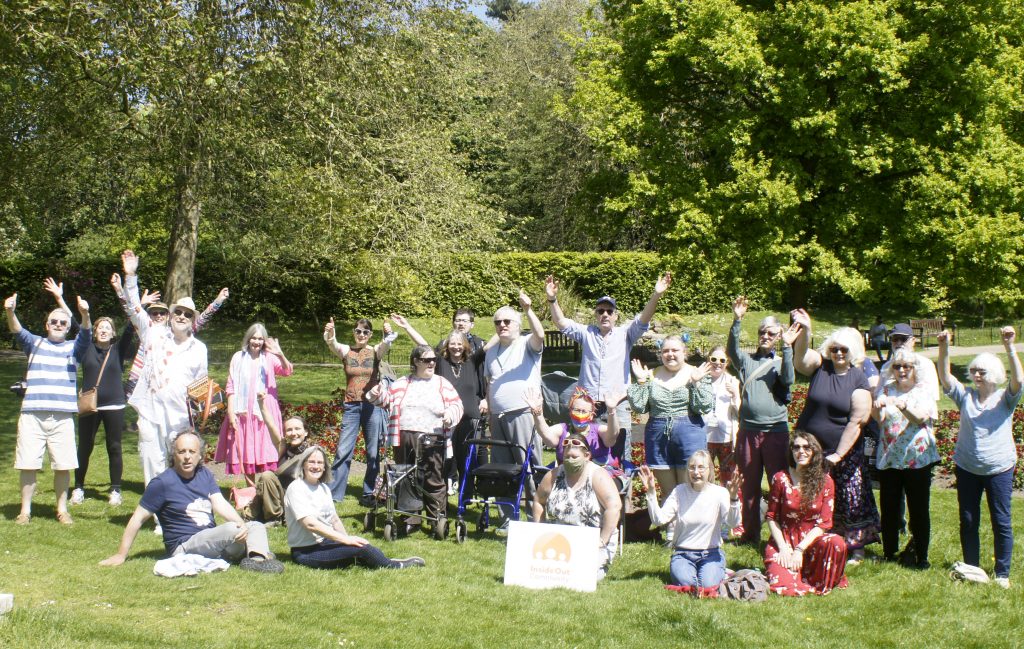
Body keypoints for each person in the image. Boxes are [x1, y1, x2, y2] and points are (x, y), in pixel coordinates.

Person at [99, 431, 284, 573]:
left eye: (191, 451)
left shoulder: (204, 474)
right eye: (182, 452)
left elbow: (219, 503)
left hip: (211, 539)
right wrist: (121, 554)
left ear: (199, 455)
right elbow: (137, 519)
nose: (187, 456)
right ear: (174, 455)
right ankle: (253, 551)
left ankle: (257, 561)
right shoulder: (162, 483)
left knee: (255, 527)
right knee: (230, 529)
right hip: (184, 545)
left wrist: (242, 524)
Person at [545, 273, 673, 446]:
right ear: (596, 315)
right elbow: (560, 322)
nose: (605, 314)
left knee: (620, 448)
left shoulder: (626, 334)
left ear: (615, 316)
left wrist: (656, 295)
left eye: (609, 311)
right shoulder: (586, 333)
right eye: (601, 311)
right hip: (589, 404)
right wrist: (552, 299)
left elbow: (644, 319)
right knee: (587, 449)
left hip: (618, 403)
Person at [937, 327, 1021, 589]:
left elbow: (1018, 379)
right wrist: (944, 347)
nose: (975, 375)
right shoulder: (967, 397)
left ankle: (1002, 573)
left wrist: (1009, 346)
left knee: (1001, 520)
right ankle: (972, 568)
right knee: (969, 519)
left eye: (981, 372)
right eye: (974, 371)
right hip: (968, 467)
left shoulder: (1004, 399)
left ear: (993, 375)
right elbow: (945, 377)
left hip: (999, 468)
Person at [791, 309, 878, 562]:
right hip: (811, 450)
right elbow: (800, 360)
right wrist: (806, 330)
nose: (838, 353)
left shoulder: (858, 378)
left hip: (844, 452)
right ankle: (814, 540)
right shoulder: (821, 367)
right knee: (813, 496)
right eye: (835, 349)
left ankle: (856, 547)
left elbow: (857, 420)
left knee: (850, 496)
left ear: (852, 352)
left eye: (844, 350)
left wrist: (839, 454)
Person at [6, 281, 92, 525]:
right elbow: (17, 330)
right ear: (46, 325)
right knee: (28, 464)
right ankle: (25, 511)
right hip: (32, 414)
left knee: (63, 465)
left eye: (63, 323)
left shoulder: (73, 349)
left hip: (63, 417)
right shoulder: (35, 343)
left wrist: (85, 314)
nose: (58, 325)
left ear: (67, 328)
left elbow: (86, 334)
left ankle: (62, 510)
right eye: (54, 321)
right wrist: (10, 311)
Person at [121, 252, 209, 490]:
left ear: (193, 320)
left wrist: (203, 412)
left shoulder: (199, 349)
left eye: (187, 314)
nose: (181, 316)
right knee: (152, 462)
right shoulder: (154, 333)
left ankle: (175, 510)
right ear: (171, 316)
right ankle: (156, 512)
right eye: (178, 312)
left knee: (179, 464)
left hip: (179, 416)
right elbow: (133, 308)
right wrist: (130, 276)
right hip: (150, 412)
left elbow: (201, 386)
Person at [366, 344, 463, 533]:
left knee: (432, 477)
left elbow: (457, 405)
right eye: (427, 360)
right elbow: (385, 401)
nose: (432, 363)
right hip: (404, 435)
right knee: (405, 476)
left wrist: (450, 415)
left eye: (434, 360)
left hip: (432, 436)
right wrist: (377, 392)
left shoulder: (442, 383)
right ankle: (411, 518)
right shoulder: (403, 382)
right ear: (416, 362)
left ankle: (436, 517)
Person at [285, 446, 424, 570]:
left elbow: (334, 520)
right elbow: (310, 524)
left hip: (325, 542)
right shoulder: (297, 488)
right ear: (303, 464)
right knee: (362, 550)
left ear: (324, 466)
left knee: (361, 545)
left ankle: (383, 561)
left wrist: (348, 540)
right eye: (311, 462)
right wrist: (346, 541)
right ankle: (395, 565)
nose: (316, 466)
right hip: (306, 551)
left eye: (319, 463)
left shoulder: (323, 488)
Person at [727, 296, 796, 545]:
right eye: (762, 332)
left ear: (778, 337)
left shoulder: (780, 361)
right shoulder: (747, 361)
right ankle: (750, 534)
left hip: (775, 432)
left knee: (779, 484)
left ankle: (783, 534)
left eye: (771, 333)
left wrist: (788, 348)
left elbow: (788, 379)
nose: (766, 336)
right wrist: (737, 320)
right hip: (748, 432)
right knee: (749, 485)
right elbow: (732, 352)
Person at [392, 314, 487, 495]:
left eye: (459, 344)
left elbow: (491, 344)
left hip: (469, 419)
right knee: (444, 461)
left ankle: (464, 499)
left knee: (466, 460)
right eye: (452, 343)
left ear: (464, 346)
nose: (456, 347)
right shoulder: (440, 362)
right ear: (447, 346)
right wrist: (407, 326)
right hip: (445, 421)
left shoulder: (471, 361)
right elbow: (423, 344)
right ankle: (441, 501)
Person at [111, 257, 228, 399]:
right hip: (143, 389)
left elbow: (201, 319)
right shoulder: (149, 332)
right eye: (154, 313)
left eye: (162, 313)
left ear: (167, 316)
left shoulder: (186, 339)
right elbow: (133, 311)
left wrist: (218, 302)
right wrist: (129, 279)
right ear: (172, 316)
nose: (158, 315)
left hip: (174, 400)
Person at [639, 451, 740, 597]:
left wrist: (734, 498)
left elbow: (733, 522)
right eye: (692, 467)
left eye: (701, 467)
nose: (696, 472)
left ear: (709, 470)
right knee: (688, 585)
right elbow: (658, 520)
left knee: (707, 586)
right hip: (683, 553)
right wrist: (651, 492)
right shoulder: (679, 491)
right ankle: (711, 572)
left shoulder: (720, 493)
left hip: (711, 553)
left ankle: (718, 570)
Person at [872, 349, 939, 568]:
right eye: (897, 366)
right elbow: (880, 420)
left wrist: (903, 404)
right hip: (890, 457)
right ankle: (889, 552)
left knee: (919, 509)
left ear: (914, 369)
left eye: (906, 366)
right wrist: (877, 405)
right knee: (889, 508)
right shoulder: (887, 389)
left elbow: (920, 417)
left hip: (917, 459)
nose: (901, 370)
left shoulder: (924, 390)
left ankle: (922, 556)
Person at [484, 291, 546, 521]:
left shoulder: (526, 344)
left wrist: (528, 309)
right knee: (502, 468)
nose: (502, 325)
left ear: (518, 325)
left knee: (529, 466)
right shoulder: (491, 352)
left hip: (523, 413)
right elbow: (490, 384)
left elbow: (540, 334)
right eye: (497, 322)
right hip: (498, 417)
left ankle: (535, 515)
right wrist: (491, 413)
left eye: (507, 321)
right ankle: (507, 518)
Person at [627, 335, 713, 501]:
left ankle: (690, 526)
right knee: (669, 494)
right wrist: (641, 381)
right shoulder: (651, 375)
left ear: (684, 352)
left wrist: (696, 383)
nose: (670, 354)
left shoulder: (696, 373)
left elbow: (704, 406)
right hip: (658, 438)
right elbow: (639, 406)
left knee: (689, 492)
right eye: (665, 351)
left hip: (689, 436)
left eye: (675, 350)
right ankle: (671, 526)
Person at [764, 432, 848, 596]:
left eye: (806, 447)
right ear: (791, 452)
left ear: (815, 451)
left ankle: (812, 577)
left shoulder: (825, 481)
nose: (801, 451)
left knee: (837, 542)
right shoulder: (781, 478)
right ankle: (794, 575)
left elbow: (824, 523)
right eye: (796, 447)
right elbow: (771, 517)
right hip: (784, 541)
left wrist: (800, 550)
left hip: (811, 542)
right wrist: (783, 548)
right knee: (785, 588)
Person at [323, 316, 395, 504]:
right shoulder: (347, 351)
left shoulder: (375, 351)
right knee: (343, 450)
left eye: (366, 332)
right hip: (352, 405)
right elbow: (332, 344)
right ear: (354, 332)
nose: (361, 335)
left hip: (373, 407)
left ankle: (369, 492)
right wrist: (330, 333)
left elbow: (385, 345)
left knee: (373, 452)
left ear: (370, 334)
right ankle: (334, 494)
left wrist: (387, 333)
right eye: (358, 331)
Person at [532, 433, 622, 581]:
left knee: (583, 577)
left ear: (587, 456)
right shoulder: (553, 475)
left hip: (591, 544)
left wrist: (602, 541)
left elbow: (614, 507)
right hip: (557, 542)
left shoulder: (597, 475)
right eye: (567, 457)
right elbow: (538, 501)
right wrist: (539, 530)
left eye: (574, 457)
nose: (569, 460)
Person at [214, 323, 294, 485]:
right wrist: (230, 412)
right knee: (246, 451)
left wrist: (280, 353)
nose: (257, 342)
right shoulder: (238, 357)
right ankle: (251, 490)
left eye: (260, 339)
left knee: (267, 449)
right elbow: (230, 386)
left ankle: (266, 488)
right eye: (254, 338)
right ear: (248, 339)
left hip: (265, 411)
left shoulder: (270, 358)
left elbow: (287, 371)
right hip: (242, 412)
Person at [71, 313, 136, 507]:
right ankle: (78, 487)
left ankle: (115, 489)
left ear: (113, 333)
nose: (104, 330)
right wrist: (60, 298)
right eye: (100, 327)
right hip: (89, 405)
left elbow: (130, 329)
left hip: (114, 405)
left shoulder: (118, 349)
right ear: (94, 332)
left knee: (114, 446)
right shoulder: (86, 348)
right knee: (85, 446)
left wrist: (141, 305)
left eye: (108, 327)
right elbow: (78, 325)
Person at [523, 386, 623, 470]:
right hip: (568, 476)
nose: (580, 414)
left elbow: (612, 436)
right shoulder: (563, 430)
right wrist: (537, 413)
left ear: (591, 415)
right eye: (576, 410)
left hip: (601, 476)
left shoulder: (598, 430)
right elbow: (546, 434)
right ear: (570, 412)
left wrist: (611, 410)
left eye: (584, 411)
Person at [243, 403, 311, 524]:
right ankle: (274, 518)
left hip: (299, 501)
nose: (293, 433)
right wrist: (262, 405)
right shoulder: (284, 447)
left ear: (306, 432)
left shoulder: (312, 454)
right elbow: (270, 426)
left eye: (297, 429)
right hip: (279, 499)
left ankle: (287, 516)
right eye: (289, 430)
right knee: (267, 475)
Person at [703, 346, 740, 520]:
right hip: (705, 437)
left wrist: (735, 396)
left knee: (728, 479)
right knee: (705, 476)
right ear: (708, 359)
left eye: (722, 360)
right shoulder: (700, 378)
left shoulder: (732, 381)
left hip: (726, 438)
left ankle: (727, 517)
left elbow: (739, 411)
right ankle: (708, 514)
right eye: (714, 359)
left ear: (727, 363)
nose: (718, 364)